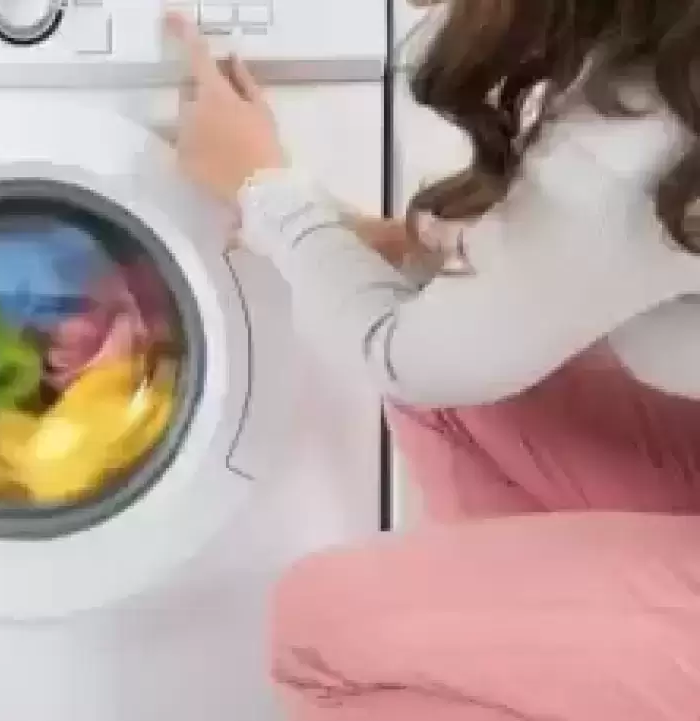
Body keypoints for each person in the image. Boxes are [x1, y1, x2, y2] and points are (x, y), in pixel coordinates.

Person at [163, 1, 700, 719]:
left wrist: (262, 187)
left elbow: (406, 355)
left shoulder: (630, 143)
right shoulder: (662, 72)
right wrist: (382, 237)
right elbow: (578, 262)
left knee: (318, 624)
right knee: (468, 402)